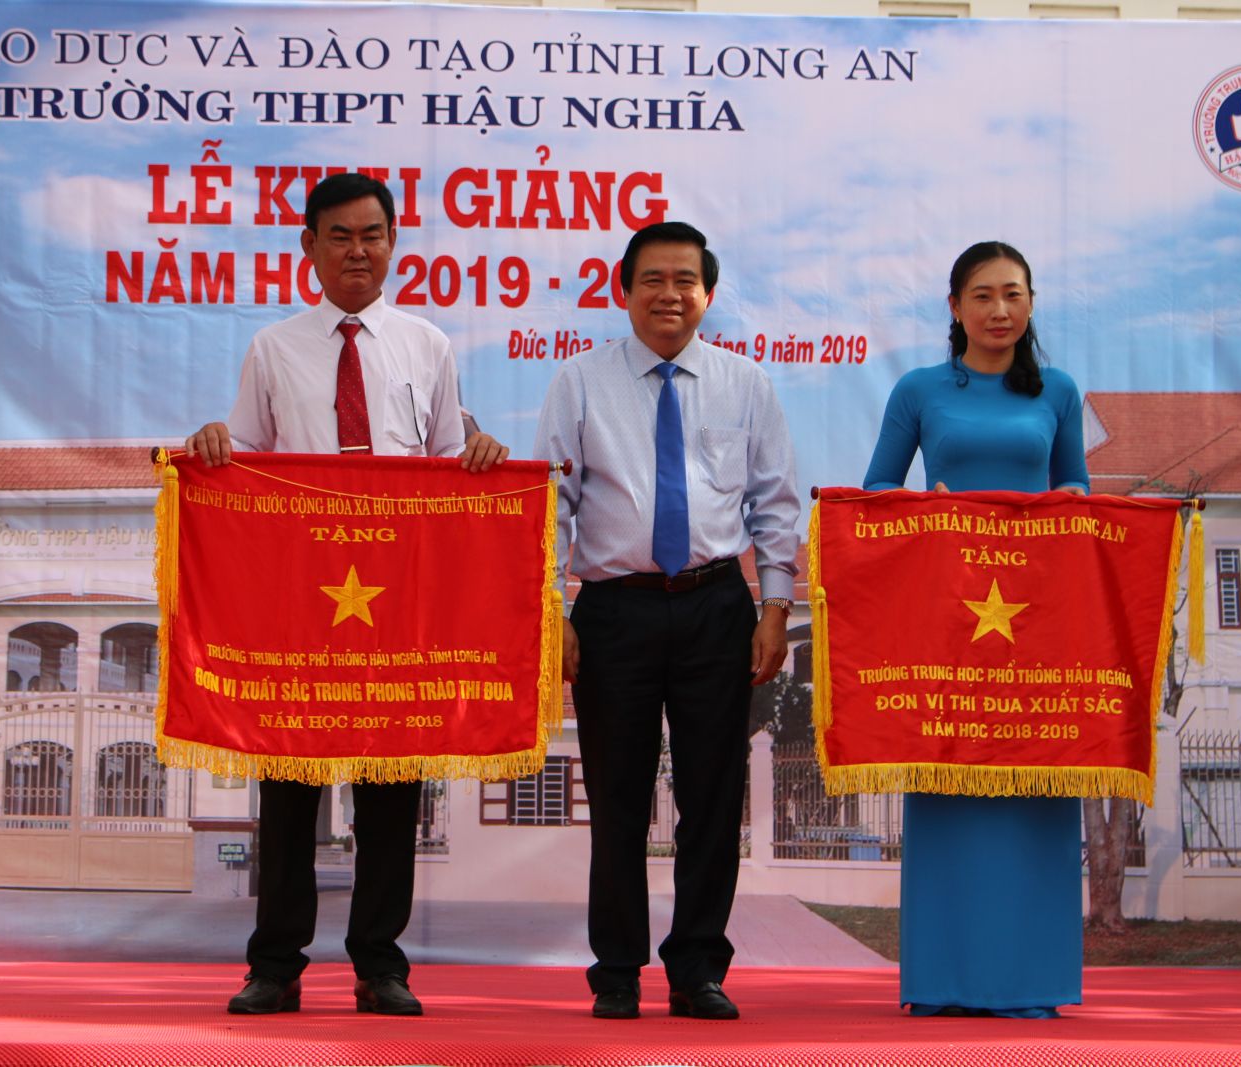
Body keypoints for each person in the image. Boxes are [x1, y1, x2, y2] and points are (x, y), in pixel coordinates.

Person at [186, 172, 507, 1017]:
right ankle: (275, 965)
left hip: (394, 597)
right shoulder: (272, 347)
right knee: (290, 784)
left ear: (393, 243)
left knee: (388, 783)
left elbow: (446, 467)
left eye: (372, 234)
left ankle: (381, 962)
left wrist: (478, 453)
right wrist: (218, 443)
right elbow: (247, 466)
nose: (358, 250)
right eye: (340, 236)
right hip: (301, 598)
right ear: (310, 248)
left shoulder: (427, 344)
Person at [534, 221, 800, 1021]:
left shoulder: (745, 383)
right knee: (615, 796)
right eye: (652, 279)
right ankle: (616, 970)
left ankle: (696, 969)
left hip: (719, 605)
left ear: (707, 294)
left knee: (712, 799)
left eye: (685, 280)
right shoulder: (578, 382)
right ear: (623, 290)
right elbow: (552, 506)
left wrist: (776, 607)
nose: (669, 294)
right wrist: (556, 609)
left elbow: (776, 502)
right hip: (614, 610)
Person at [862, 240, 1089, 1017]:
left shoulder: (1057, 391)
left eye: (1014, 295)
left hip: (1036, 637)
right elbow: (878, 493)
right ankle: (943, 980)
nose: (1000, 310)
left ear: (1031, 304)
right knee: (952, 788)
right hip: (950, 630)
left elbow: (1077, 498)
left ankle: (1034, 981)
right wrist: (929, 510)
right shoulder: (919, 389)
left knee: (1035, 789)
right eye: (984, 295)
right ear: (954, 307)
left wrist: (1065, 508)